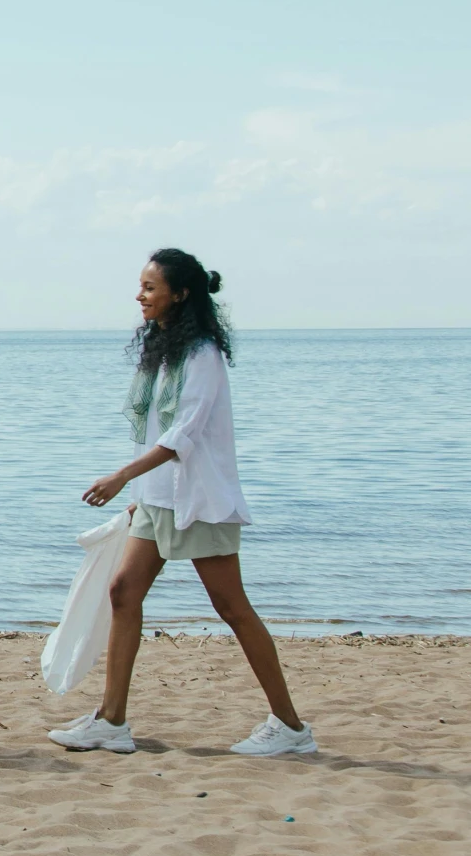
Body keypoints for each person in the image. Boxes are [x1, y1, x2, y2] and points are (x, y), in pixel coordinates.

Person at [52, 249, 316, 758]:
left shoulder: (202, 356)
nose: (140, 296)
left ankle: (290, 727)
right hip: (156, 498)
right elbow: (153, 431)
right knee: (123, 592)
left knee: (231, 607)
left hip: (199, 500)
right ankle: (111, 721)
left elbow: (183, 435)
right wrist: (138, 496)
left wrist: (121, 477)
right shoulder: (164, 353)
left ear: (181, 294)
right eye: (141, 285)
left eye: (150, 287)